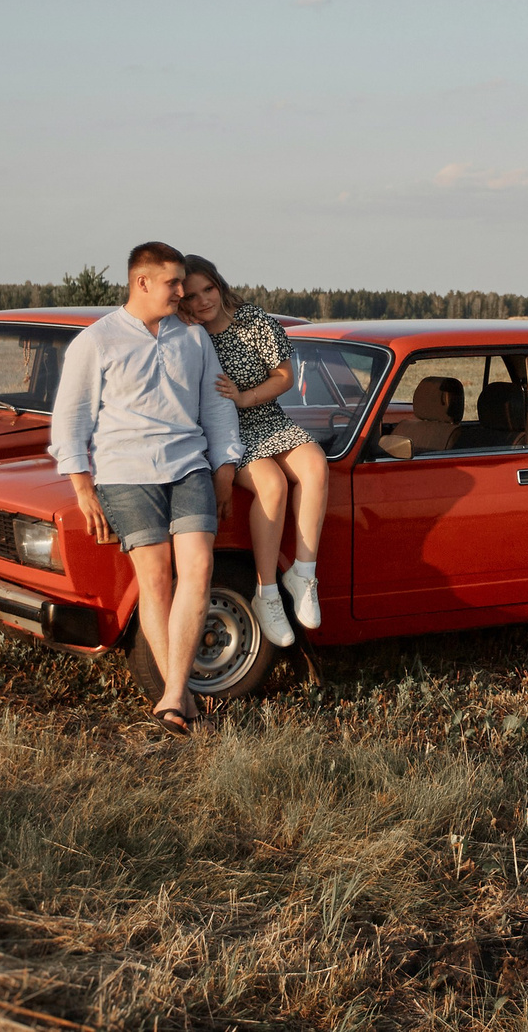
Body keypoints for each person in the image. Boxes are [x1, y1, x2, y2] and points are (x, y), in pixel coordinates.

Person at [50, 241, 245, 734]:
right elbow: (70, 420)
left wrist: (225, 465)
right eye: (173, 283)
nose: (182, 292)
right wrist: (83, 487)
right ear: (142, 282)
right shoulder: (97, 341)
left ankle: (173, 695)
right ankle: (178, 696)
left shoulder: (194, 339)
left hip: (189, 468)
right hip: (125, 473)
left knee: (198, 568)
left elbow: (217, 406)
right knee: (155, 577)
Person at [180, 254, 325, 647]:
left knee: (314, 464)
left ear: (219, 284)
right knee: (272, 485)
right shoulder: (190, 335)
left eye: (207, 289)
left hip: (264, 414)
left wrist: (246, 398)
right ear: (183, 301)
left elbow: (285, 377)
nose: (203, 301)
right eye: (192, 296)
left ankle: (303, 574)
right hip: (223, 431)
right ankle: (268, 593)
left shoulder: (254, 320)